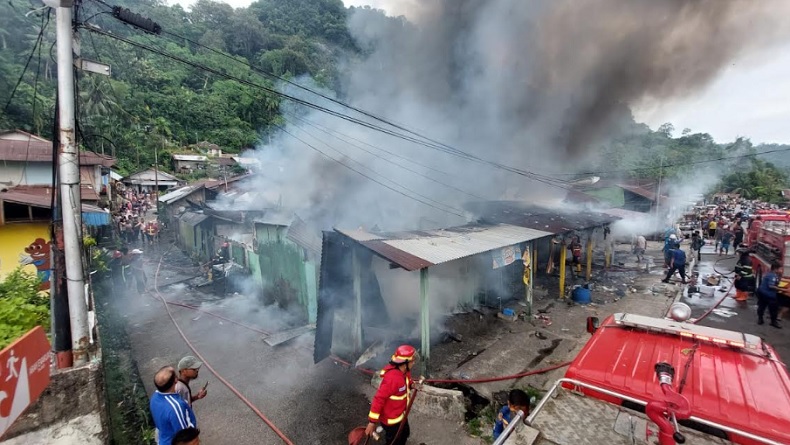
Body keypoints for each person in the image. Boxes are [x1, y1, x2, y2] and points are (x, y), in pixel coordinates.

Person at [365, 345, 418, 445]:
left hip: (401, 415)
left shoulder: (405, 372)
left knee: (405, 433)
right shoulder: (392, 379)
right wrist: (372, 422)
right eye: (412, 361)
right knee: (394, 441)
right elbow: (378, 400)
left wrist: (412, 385)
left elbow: (406, 382)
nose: (414, 363)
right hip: (391, 421)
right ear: (404, 363)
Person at [150, 366, 197, 445]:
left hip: (163, 439)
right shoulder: (176, 406)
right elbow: (185, 437)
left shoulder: (154, 397)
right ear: (176, 380)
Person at [757, 262, 782, 328]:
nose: (781, 270)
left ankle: (761, 319)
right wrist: (783, 290)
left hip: (763, 293)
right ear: (776, 269)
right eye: (780, 269)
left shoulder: (772, 275)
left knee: (762, 307)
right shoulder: (772, 276)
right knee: (772, 309)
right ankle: (772, 321)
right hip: (767, 295)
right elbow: (771, 286)